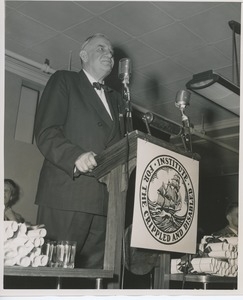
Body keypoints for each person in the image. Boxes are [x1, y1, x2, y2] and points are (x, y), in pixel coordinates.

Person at [34, 33, 125, 269]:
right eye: (101, 49)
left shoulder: (118, 100)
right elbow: (46, 131)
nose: (109, 55)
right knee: (56, 274)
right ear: (83, 55)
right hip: (67, 195)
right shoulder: (64, 80)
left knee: (94, 278)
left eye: (111, 53)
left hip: (105, 203)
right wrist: (75, 156)